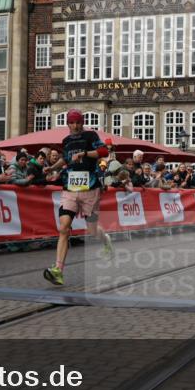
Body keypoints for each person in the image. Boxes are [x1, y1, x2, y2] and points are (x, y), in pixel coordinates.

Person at [43, 109, 113, 286]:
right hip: (70, 190)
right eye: (72, 122)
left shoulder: (90, 136)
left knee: (92, 229)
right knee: (64, 227)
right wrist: (52, 169)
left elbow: (104, 151)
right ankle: (58, 270)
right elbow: (66, 160)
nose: (75, 126)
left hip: (91, 190)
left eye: (78, 122)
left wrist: (85, 154)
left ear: (82, 123)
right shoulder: (66, 141)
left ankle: (106, 240)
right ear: (68, 123)